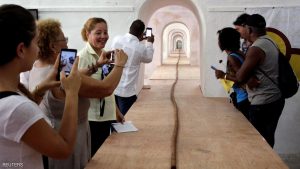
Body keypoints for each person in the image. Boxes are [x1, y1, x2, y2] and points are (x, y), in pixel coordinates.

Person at [0, 4, 81, 169]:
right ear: (21, 49)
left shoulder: (11, 98)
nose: (38, 49)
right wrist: (72, 92)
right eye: (36, 42)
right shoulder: (16, 108)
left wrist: (40, 89)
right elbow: (63, 148)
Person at [78, 17, 126, 157]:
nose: (103, 36)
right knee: (94, 157)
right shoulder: (83, 57)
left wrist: (115, 110)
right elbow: (82, 90)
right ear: (88, 34)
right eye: (98, 33)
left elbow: (107, 85)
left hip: (106, 116)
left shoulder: (103, 54)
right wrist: (120, 65)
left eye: (105, 32)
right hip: (92, 118)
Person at [236, 14, 285, 147]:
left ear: (250, 30)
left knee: (258, 143)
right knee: (268, 138)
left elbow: (240, 77)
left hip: (262, 102)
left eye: (243, 28)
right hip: (276, 98)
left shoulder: (256, 48)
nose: (242, 31)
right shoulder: (270, 41)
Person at [111, 19, 155, 116]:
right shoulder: (140, 48)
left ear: (130, 28)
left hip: (113, 87)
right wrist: (150, 42)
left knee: (113, 117)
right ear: (141, 33)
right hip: (126, 91)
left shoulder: (116, 39)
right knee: (123, 119)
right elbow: (148, 58)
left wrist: (137, 38)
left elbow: (129, 44)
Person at [214, 27, 250, 119]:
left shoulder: (232, 57)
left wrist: (223, 75)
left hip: (243, 98)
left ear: (224, 41)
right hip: (247, 97)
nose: (218, 42)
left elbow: (240, 79)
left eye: (219, 39)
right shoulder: (239, 52)